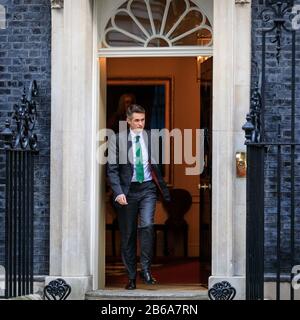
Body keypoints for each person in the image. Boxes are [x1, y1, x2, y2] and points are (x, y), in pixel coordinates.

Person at [107, 104, 170, 290]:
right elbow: (111, 169)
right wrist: (118, 193)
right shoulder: (116, 140)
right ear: (128, 121)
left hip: (148, 189)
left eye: (142, 120)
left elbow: (157, 165)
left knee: (147, 225)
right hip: (127, 192)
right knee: (128, 236)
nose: (140, 123)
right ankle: (131, 277)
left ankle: (146, 269)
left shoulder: (152, 137)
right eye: (136, 120)